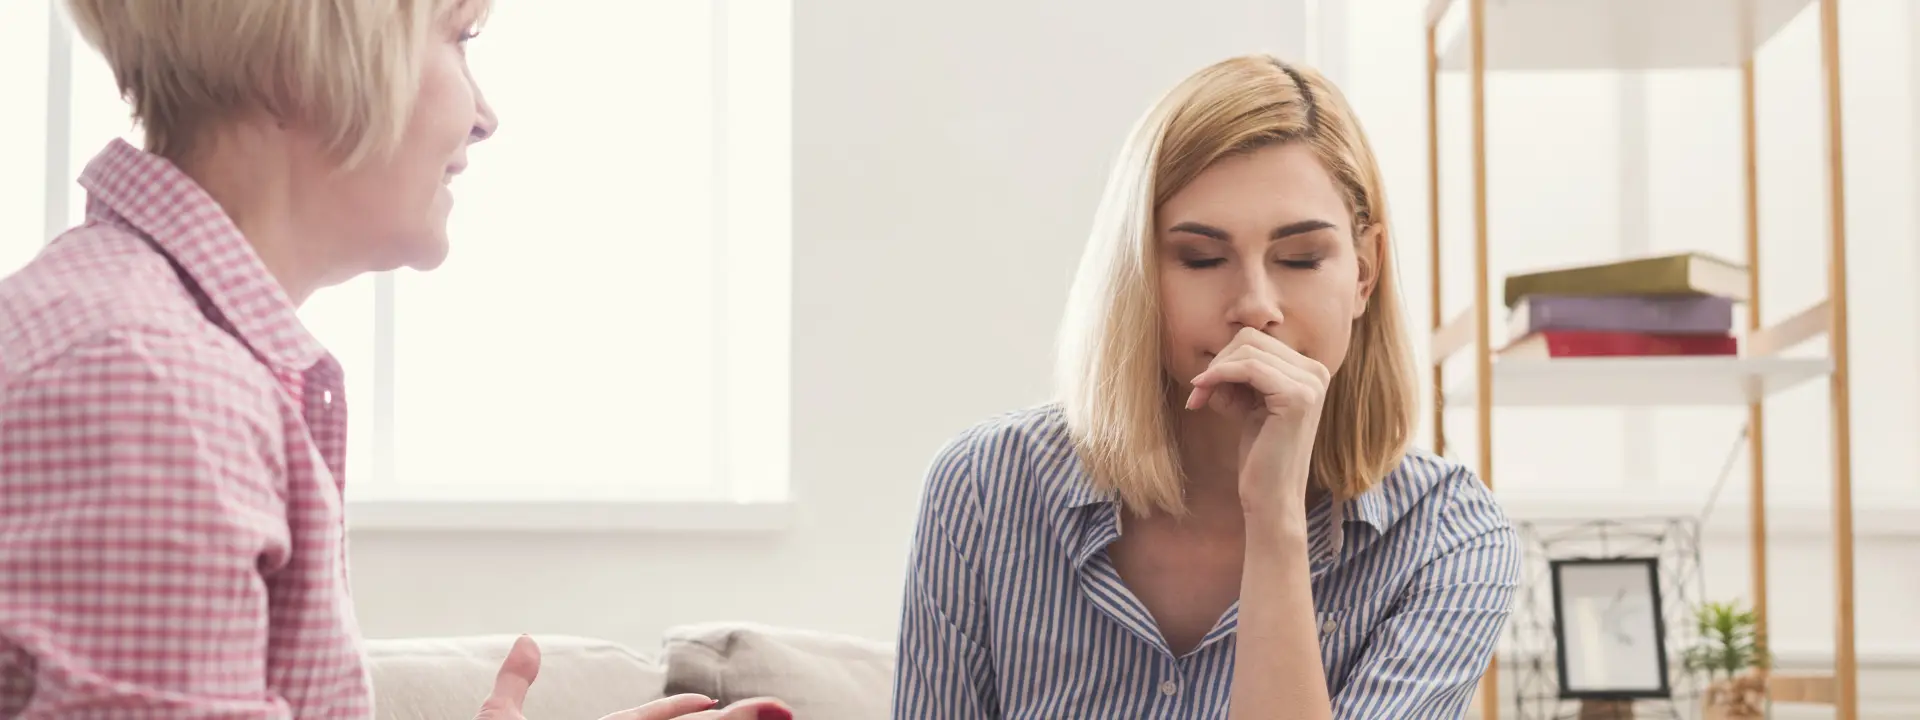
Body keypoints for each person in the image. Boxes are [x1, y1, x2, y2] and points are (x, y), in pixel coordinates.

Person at [0, 2, 789, 718]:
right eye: (460, 38)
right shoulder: (146, 386)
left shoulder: (161, 360)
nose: (486, 118)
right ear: (300, 59)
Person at [890, 54, 1522, 719]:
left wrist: (1276, 519)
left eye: (1300, 258)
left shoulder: (1448, 537)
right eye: (1202, 258)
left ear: (1364, 273)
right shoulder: (984, 489)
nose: (1255, 306)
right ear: (1138, 273)